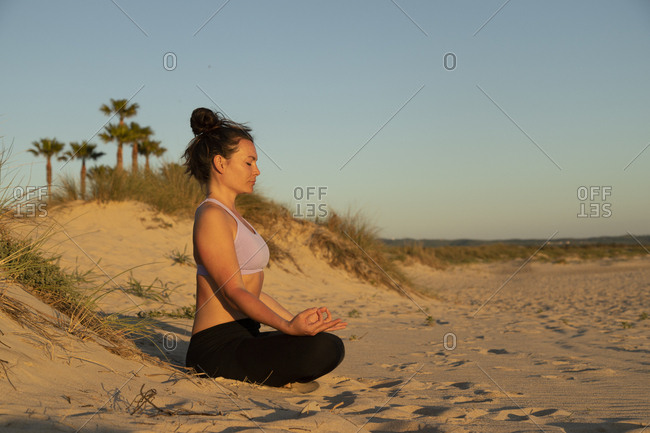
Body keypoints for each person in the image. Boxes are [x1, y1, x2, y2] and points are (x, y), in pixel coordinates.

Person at [183, 107, 346, 390]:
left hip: (246, 335)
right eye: (249, 162)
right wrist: (286, 328)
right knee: (323, 350)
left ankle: (274, 369)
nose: (257, 170)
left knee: (324, 343)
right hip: (215, 348)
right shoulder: (211, 216)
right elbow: (234, 292)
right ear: (221, 163)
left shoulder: (232, 216)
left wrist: (293, 323)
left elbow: (253, 289)